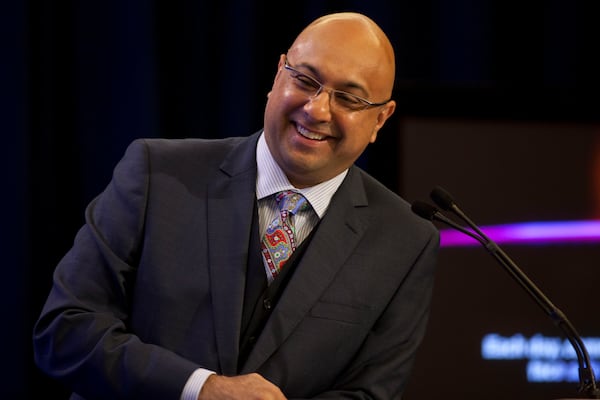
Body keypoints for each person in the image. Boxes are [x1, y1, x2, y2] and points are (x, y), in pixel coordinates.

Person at [33, 11, 439, 400]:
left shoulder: (405, 240)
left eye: (348, 98)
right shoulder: (157, 175)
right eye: (304, 79)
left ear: (380, 120)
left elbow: (370, 393)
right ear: (278, 74)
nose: (316, 110)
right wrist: (200, 388)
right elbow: (65, 332)